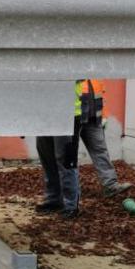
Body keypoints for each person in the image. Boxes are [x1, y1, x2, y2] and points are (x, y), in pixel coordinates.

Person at [35, 81, 84, 220]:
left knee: (66, 160)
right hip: (45, 115)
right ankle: (53, 199)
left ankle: (71, 205)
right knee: (47, 157)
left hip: (67, 114)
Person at [77, 79, 133, 197]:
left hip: (93, 120)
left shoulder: (95, 73)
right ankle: (68, 190)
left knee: (101, 151)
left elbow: (101, 97)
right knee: (68, 156)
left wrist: (104, 116)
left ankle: (110, 185)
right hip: (74, 119)